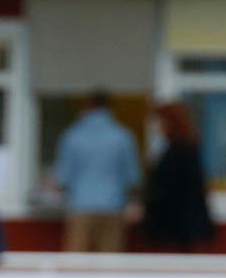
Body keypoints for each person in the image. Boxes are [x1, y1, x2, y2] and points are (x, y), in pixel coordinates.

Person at [52, 90, 141, 252]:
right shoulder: (123, 136)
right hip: (113, 205)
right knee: (110, 265)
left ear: (87, 105)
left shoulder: (73, 135)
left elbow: (62, 177)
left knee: (77, 265)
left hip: (80, 206)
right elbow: (132, 177)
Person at [143, 101, 216, 249]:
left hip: (176, 228)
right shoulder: (184, 147)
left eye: (159, 122)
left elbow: (170, 189)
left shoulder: (179, 151)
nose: (158, 128)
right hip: (182, 227)